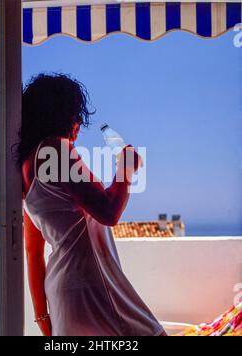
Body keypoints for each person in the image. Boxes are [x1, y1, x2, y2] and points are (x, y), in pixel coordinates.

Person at [19, 73, 166, 336]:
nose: (77, 126)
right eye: (76, 116)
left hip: (63, 294)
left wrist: (43, 316)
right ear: (64, 116)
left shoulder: (26, 167)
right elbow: (108, 211)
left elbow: (32, 251)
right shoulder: (54, 149)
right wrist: (126, 167)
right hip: (93, 285)